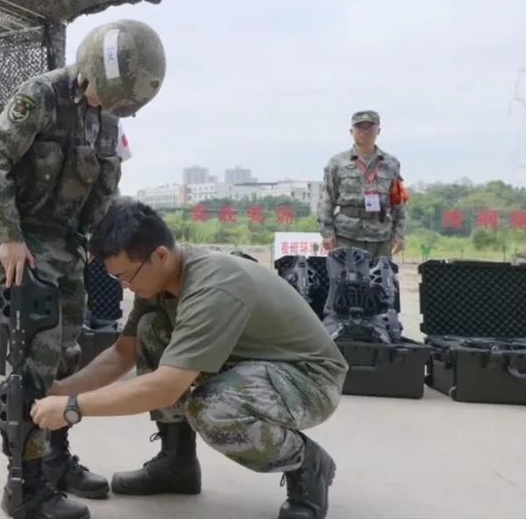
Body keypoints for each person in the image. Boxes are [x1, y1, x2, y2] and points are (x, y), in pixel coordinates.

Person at [0, 20, 167, 519]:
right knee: (33, 361)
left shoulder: (108, 120)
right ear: (90, 71)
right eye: (107, 95)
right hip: (22, 241)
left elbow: (104, 188)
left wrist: (100, 244)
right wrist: (9, 237)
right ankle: (24, 486)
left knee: (69, 357)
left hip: (66, 246)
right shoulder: (42, 96)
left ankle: (54, 459)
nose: (110, 107)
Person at [30, 200, 349, 519]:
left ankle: (307, 464)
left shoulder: (212, 286)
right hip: (252, 365)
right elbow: (121, 355)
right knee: (150, 329)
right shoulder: (159, 281)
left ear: (160, 256)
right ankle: (176, 463)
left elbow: (165, 388)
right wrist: (58, 390)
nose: (126, 287)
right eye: (118, 280)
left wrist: (73, 408)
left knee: (213, 409)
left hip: (309, 379)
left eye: (127, 276)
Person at [317, 110, 409, 259]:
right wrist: (327, 232)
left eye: (369, 127)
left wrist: (399, 235)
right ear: (351, 131)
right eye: (359, 127)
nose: (364, 132)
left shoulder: (391, 164)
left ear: (378, 130)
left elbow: (398, 203)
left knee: (380, 280)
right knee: (346, 281)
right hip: (346, 235)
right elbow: (326, 199)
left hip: (380, 236)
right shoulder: (337, 163)